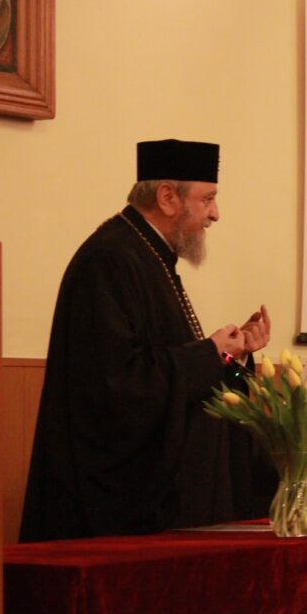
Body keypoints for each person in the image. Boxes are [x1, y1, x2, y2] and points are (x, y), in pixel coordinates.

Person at [19, 139, 272, 542]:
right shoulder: (111, 259)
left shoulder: (149, 257)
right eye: (207, 199)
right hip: (109, 510)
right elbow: (117, 384)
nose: (215, 214)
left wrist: (231, 354)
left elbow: (165, 364)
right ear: (168, 197)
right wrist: (209, 353)